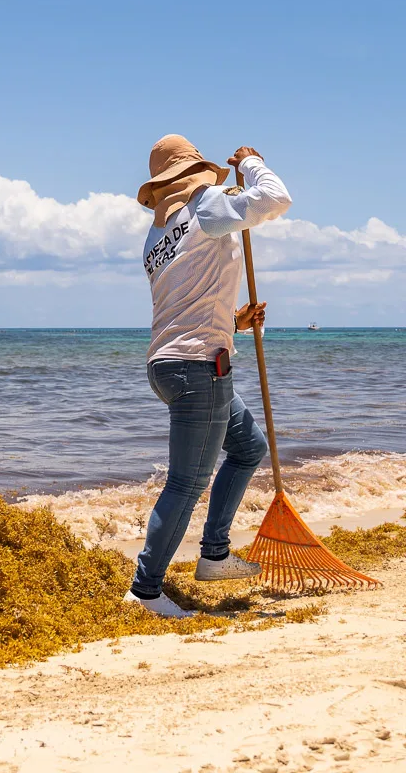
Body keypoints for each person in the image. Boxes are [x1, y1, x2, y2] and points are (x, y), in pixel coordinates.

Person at [125, 135, 292, 618]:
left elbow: (186, 299)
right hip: (199, 367)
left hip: (170, 364)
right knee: (186, 481)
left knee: (247, 448)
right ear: (194, 175)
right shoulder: (206, 207)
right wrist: (253, 162)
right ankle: (145, 591)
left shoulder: (158, 236)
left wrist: (232, 322)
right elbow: (276, 198)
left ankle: (214, 555)